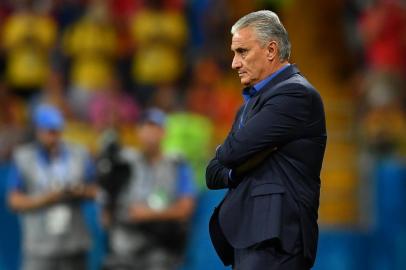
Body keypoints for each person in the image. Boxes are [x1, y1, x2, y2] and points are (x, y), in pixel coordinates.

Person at [206, 10, 327, 270]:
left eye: (242, 51)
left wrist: (232, 157)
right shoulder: (247, 107)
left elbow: (228, 154)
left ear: (271, 50)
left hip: (277, 237)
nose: (234, 63)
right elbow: (212, 172)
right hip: (249, 236)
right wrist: (239, 167)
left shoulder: (295, 95)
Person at [103, 108, 196, 270]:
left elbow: (186, 208)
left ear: (164, 132)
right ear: (138, 131)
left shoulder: (177, 164)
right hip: (125, 247)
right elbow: (106, 208)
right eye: (146, 127)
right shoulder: (124, 163)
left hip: (160, 248)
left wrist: (147, 214)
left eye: (156, 127)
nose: (151, 133)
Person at [7, 104, 97, 270]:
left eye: (56, 130)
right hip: (39, 246)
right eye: (48, 131)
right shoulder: (23, 157)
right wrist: (45, 198)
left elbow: (97, 191)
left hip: (73, 243)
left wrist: (79, 191)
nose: (53, 136)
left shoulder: (79, 153)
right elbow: (14, 201)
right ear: (38, 130)